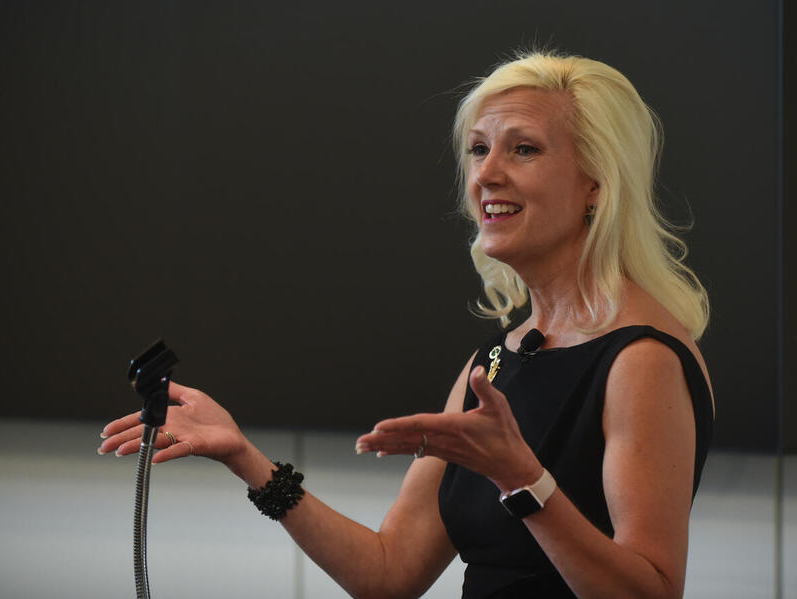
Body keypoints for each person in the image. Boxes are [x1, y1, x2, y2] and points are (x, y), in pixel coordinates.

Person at [99, 51, 714, 599]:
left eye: (523, 148)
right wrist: (247, 459)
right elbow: (388, 573)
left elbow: (651, 593)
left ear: (596, 187)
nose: (486, 174)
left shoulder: (640, 359)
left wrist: (522, 479)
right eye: (479, 149)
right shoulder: (497, 361)